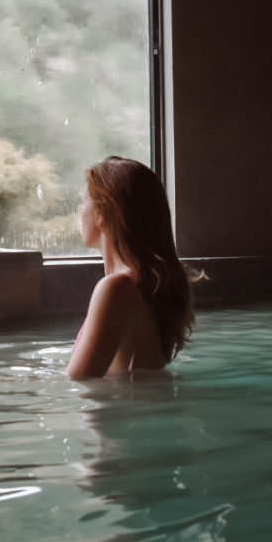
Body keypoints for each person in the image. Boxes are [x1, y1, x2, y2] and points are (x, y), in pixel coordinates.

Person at [66, 156, 196, 379]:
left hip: (115, 412)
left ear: (102, 213)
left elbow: (76, 382)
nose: (80, 211)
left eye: (83, 202)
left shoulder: (116, 288)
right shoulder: (146, 285)